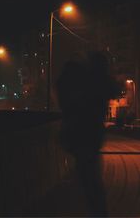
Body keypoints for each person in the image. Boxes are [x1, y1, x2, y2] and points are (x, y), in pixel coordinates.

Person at [56, 51, 121, 217]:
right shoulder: (96, 82)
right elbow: (113, 89)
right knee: (91, 180)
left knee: (88, 178)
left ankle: (96, 212)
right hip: (90, 135)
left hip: (80, 135)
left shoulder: (84, 81)